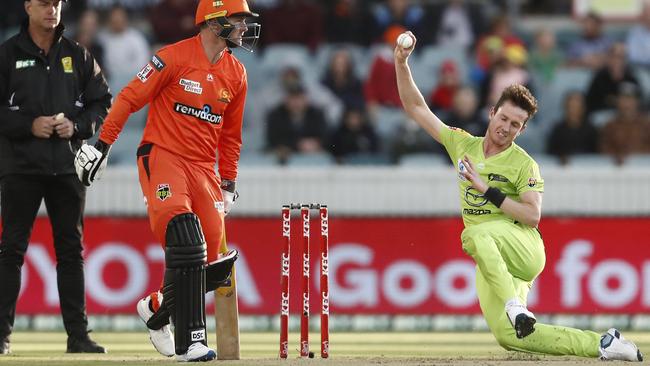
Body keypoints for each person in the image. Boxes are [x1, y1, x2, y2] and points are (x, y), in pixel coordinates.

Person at [394, 31, 643, 362]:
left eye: (516, 124)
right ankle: (603, 344)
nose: (507, 128)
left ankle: (514, 305)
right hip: (492, 258)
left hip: (524, 249)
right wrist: (401, 62)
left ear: (523, 130)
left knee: (475, 232)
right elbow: (416, 107)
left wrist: (486, 189)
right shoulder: (462, 144)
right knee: (510, 337)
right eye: (504, 118)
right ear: (491, 112)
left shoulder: (524, 164)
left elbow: (532, 216)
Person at [73, 0, 260, 361]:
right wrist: (102, 145)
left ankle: (158, 309)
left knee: (214, 265)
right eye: (238, 20)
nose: (243, 28)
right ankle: (190, 341)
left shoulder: (237, 74)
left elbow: (232, 137)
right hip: (164, 157)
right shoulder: (171, 58)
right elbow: (129, 98)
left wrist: (229, 182)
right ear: (214, 21)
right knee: (186, 236)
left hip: (205, 169)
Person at [0, 0, 111, 355]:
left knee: (71, 253)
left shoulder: (78, 54)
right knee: (11, 251)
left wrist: (76, 126)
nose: (52, 9)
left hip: (67, 167)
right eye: (45, 3)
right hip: (21, 167)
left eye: (57, 3)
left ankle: (78, 337)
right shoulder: (7, 53)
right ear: (28, 6)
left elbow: (102, 101)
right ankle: (0, 335)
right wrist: (27, 125)